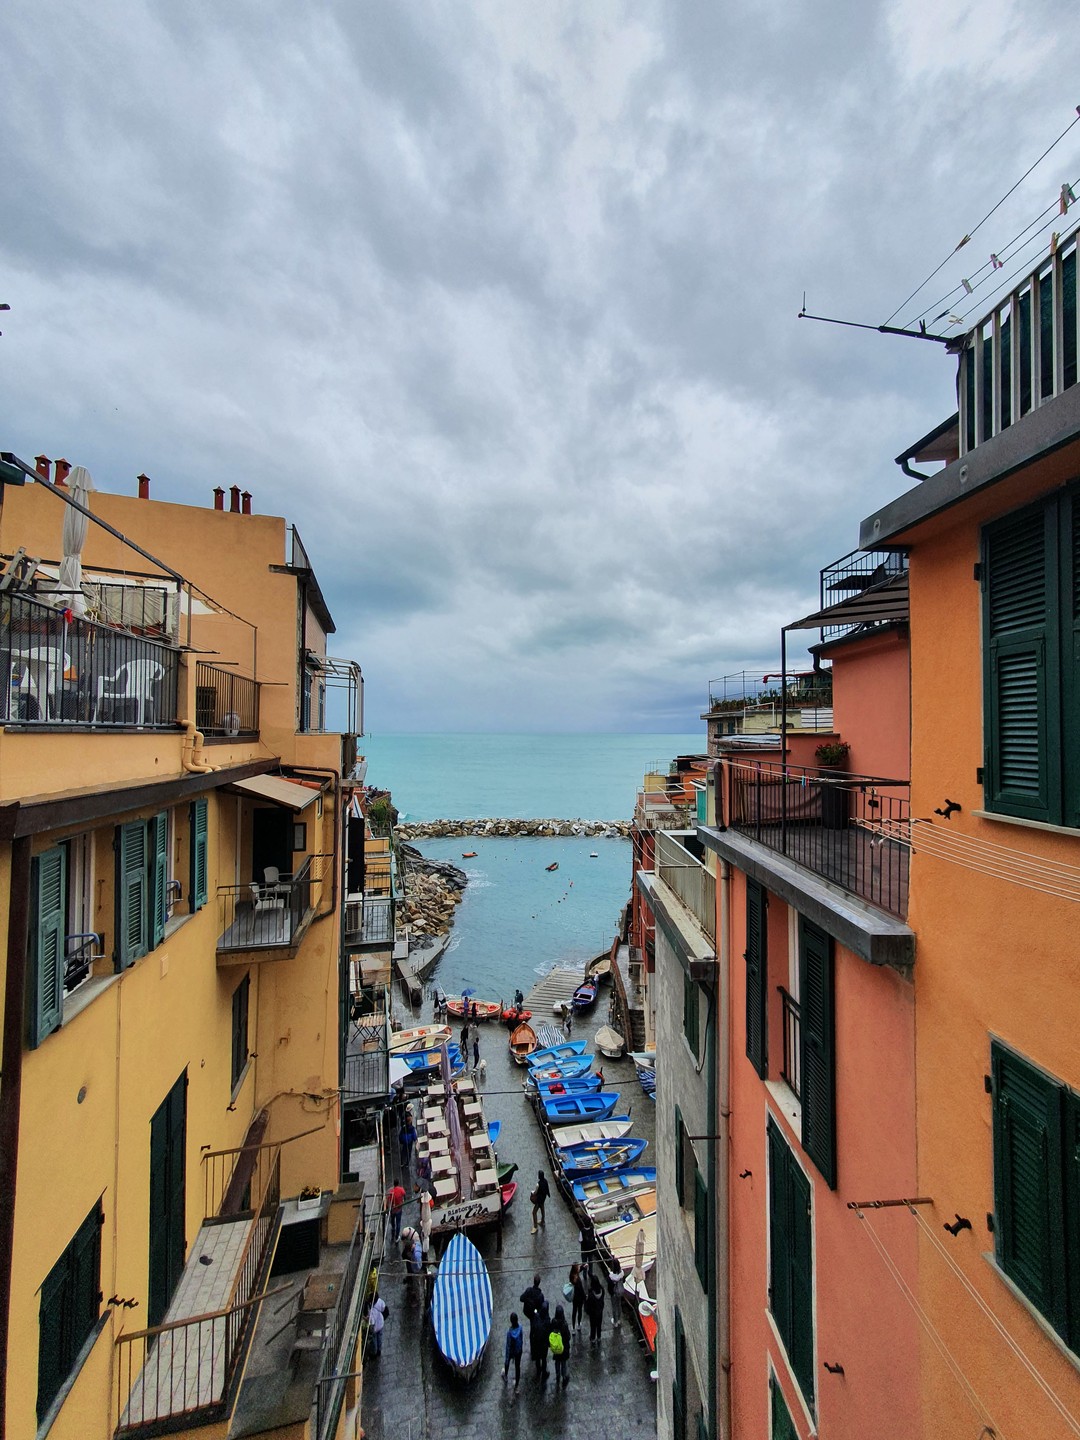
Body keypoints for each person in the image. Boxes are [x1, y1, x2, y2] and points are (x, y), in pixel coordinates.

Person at [549, 1303, 572, 1389]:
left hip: (556, 1346)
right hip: (563, 1347)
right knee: (563, 1362)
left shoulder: (553, 1322)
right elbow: (568, 1337)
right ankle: (564, 1376)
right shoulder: (564, 1324)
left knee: (557, 1361)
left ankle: (557, 1375)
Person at [530, 1300, 551, 1381]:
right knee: (544, 1358)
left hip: (536, 1342)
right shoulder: (547, 1320)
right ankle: (544, 1372)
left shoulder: (536, 1317)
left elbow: (533, 1329)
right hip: (544, 1343)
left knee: (538, 1358)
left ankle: (538, 1370)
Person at [503, 1311, 524, 1386]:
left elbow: (508, 1346)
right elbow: (521, 1338)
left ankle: (505, 1375)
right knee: (517, 1367)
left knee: (507, 1362)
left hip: (512, 1351)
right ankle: (517, 1384)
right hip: (518, 1351)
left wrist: (507, 1357)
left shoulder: (509, 1332)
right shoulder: (520, 1328)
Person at [585, 1274, 606, 1344]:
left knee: (593, 1325)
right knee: (599, 1324)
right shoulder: (602, 1290)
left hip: (593, 1313)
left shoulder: (591, 1294)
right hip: (600, 1311)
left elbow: (588, 1304)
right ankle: (599, 1337)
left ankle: (593, 1337)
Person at [605, 1259, 623, 1327]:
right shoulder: (622, 1273)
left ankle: (615, 1321)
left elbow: (609, 1279)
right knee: (619, 1305)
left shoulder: (611, 1276)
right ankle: (619, 1319)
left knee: (614, 1307)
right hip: (620, 1291)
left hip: (614, 1293)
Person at [570, 1263, 587, 1331]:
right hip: (579, 1298)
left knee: (574, 1311)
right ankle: (579, 1324)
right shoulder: (577, 1281)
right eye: (578, 1267)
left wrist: (583, 1267)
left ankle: (573, 1327)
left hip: (574, 1298)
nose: (579, 1267)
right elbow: (581, 1290)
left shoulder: (572, 1275)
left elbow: (579, 1270)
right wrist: (585, 1297)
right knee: (579, 1311)